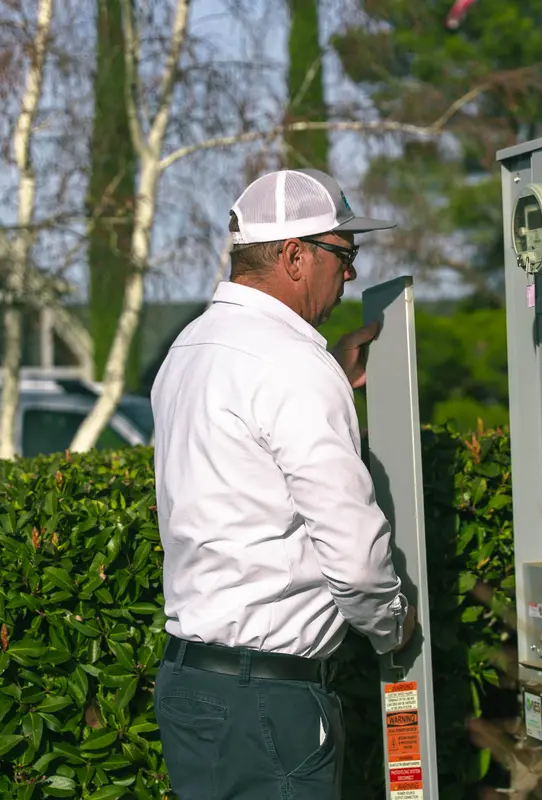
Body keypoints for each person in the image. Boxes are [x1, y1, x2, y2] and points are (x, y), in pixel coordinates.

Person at [149, 168, 417, 799]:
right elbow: (355, 562)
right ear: (296, 256)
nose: (349, 274)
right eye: (344, 255)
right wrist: (394, 626)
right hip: (270, 699)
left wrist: (327, 367)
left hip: (190, 683)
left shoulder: (188, 348)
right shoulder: (293, 367)